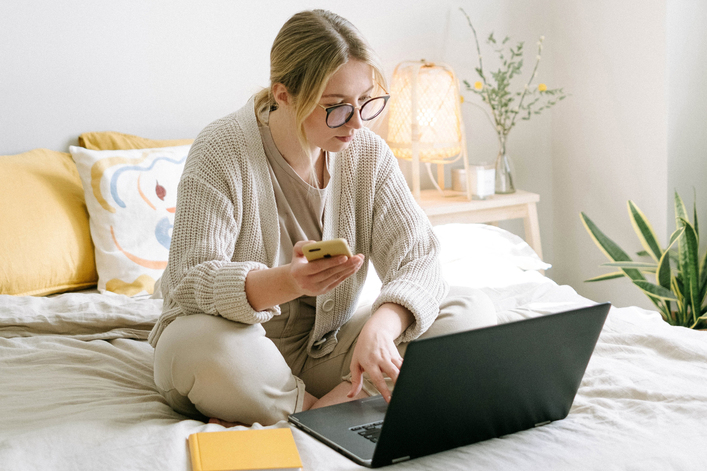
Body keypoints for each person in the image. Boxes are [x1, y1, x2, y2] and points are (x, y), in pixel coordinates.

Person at [149, 9, 496, 427]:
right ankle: (341, 407)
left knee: (468, 308)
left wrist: (382, 327)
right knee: (195, 345)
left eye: (366, 102)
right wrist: (289, 281)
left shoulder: (366, 153)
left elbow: (418, 260)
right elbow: (190, 279)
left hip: (325, 353)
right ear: (284, 95)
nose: (356, 123)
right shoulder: (220, 150)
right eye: (335, 107)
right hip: (239, 353)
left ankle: (320, 411)